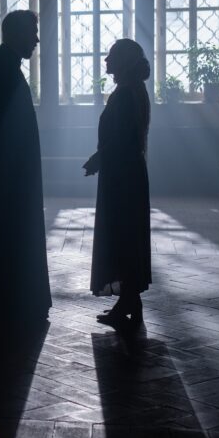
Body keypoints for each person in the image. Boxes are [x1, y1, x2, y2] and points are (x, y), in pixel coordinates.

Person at [0, 9, 51, 320]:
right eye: (33, 33)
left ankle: (7, 292)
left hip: (9, 173)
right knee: (10, 231)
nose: (37, 40)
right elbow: (6, 130)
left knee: (8, 232)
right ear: (16, 34)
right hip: (8, 176)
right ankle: (11, 293)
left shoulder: (3, 66)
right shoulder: (1, 69)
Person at [82, 39, 152, 327]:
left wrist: (98, 158)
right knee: (127, 236)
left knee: (122, 236)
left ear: (123, 61)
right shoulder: (134, 90)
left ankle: (129, 302)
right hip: (128, 173)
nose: (106, 61)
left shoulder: (124, 94)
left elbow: (121, 138)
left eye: (111, 57)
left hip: (122, 177)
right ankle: (130, 302)